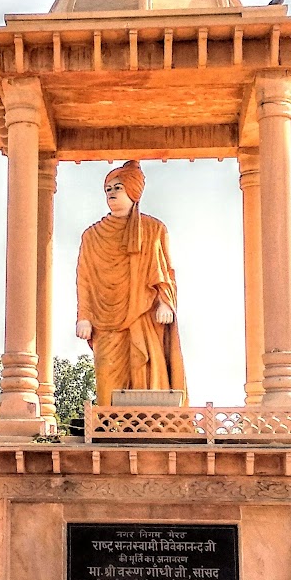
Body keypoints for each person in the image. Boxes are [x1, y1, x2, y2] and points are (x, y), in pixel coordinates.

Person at [75, 159, 188, 406]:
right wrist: (83, 316)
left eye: (118, 187)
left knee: (147, 372)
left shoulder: (153, 229)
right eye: (108, 189)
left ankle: (153, 429)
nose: (112, 193)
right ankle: (108, 432)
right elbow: (84, 279)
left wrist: (165, 303)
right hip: (105, 321)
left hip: (144, 314)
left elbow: (165, 270)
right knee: (106, 376)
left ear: (133, 190)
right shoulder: (91, 236)